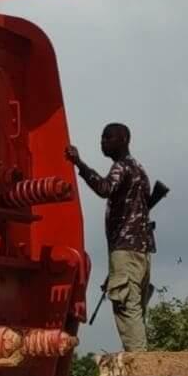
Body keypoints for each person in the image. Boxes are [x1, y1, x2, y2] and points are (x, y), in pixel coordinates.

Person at [66, 122, 154, 353]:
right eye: (102, 138)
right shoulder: (139, 170)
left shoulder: (121, 167)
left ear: (123, 140)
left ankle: (140, 364)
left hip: (126, 248)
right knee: (135, 308)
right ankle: (141, 360)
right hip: (140, 251)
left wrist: (79, 163)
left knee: (126, 307)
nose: (103, 142)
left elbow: (105, 188)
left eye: (108, 138)